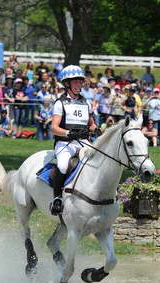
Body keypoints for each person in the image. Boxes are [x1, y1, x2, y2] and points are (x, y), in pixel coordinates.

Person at [50, 65, 99, 215]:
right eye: (76, 82)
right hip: (65, 143)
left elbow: (91, 124)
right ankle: (57, 198)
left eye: (80, 81)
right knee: (63, 166)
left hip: (83, 142)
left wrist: (96, 129)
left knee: (98, 161)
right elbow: (54, 127)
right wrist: (68, 133)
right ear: (67, 84)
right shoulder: (60, 103)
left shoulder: (86, 102)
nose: (80, 84)